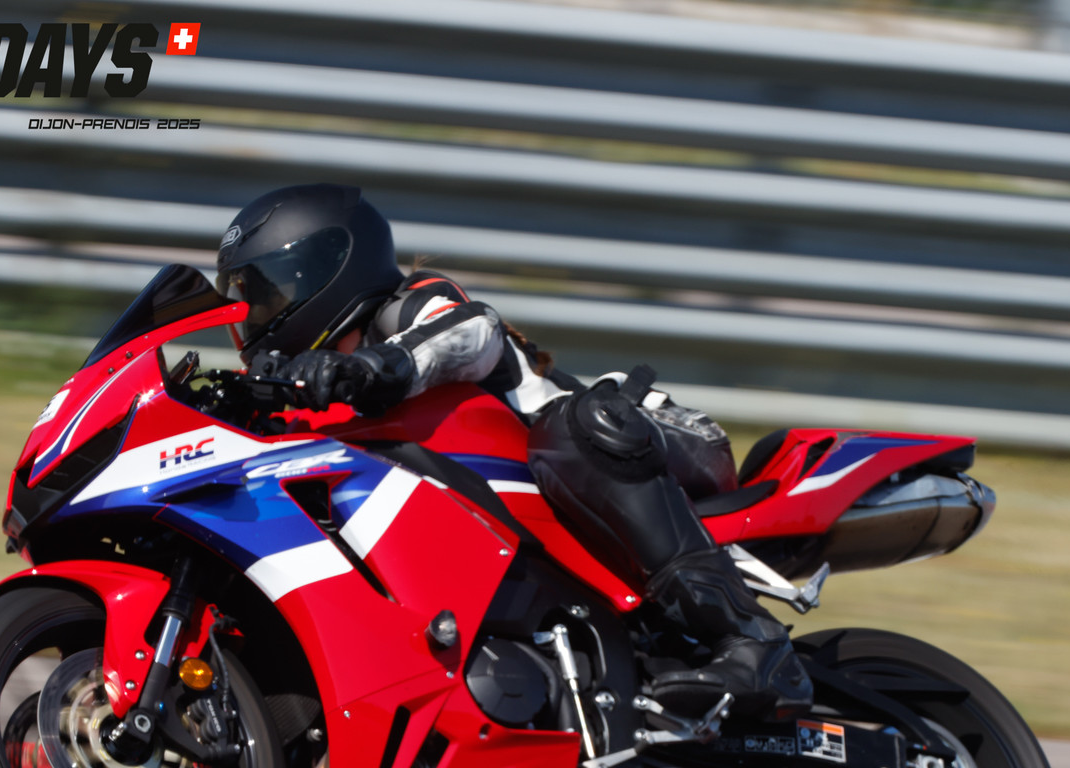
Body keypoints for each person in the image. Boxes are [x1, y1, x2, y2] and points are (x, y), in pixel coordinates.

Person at [216, 182, 812, 717]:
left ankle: (754, 641)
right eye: (246, 300)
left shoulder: (412, 307)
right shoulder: (305, 399)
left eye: (268, 293)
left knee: (586, 421)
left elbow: (469, 333)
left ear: (328, 269)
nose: (256, 316)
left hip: (657, 444)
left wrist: (373, 368)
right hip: (545, 521)